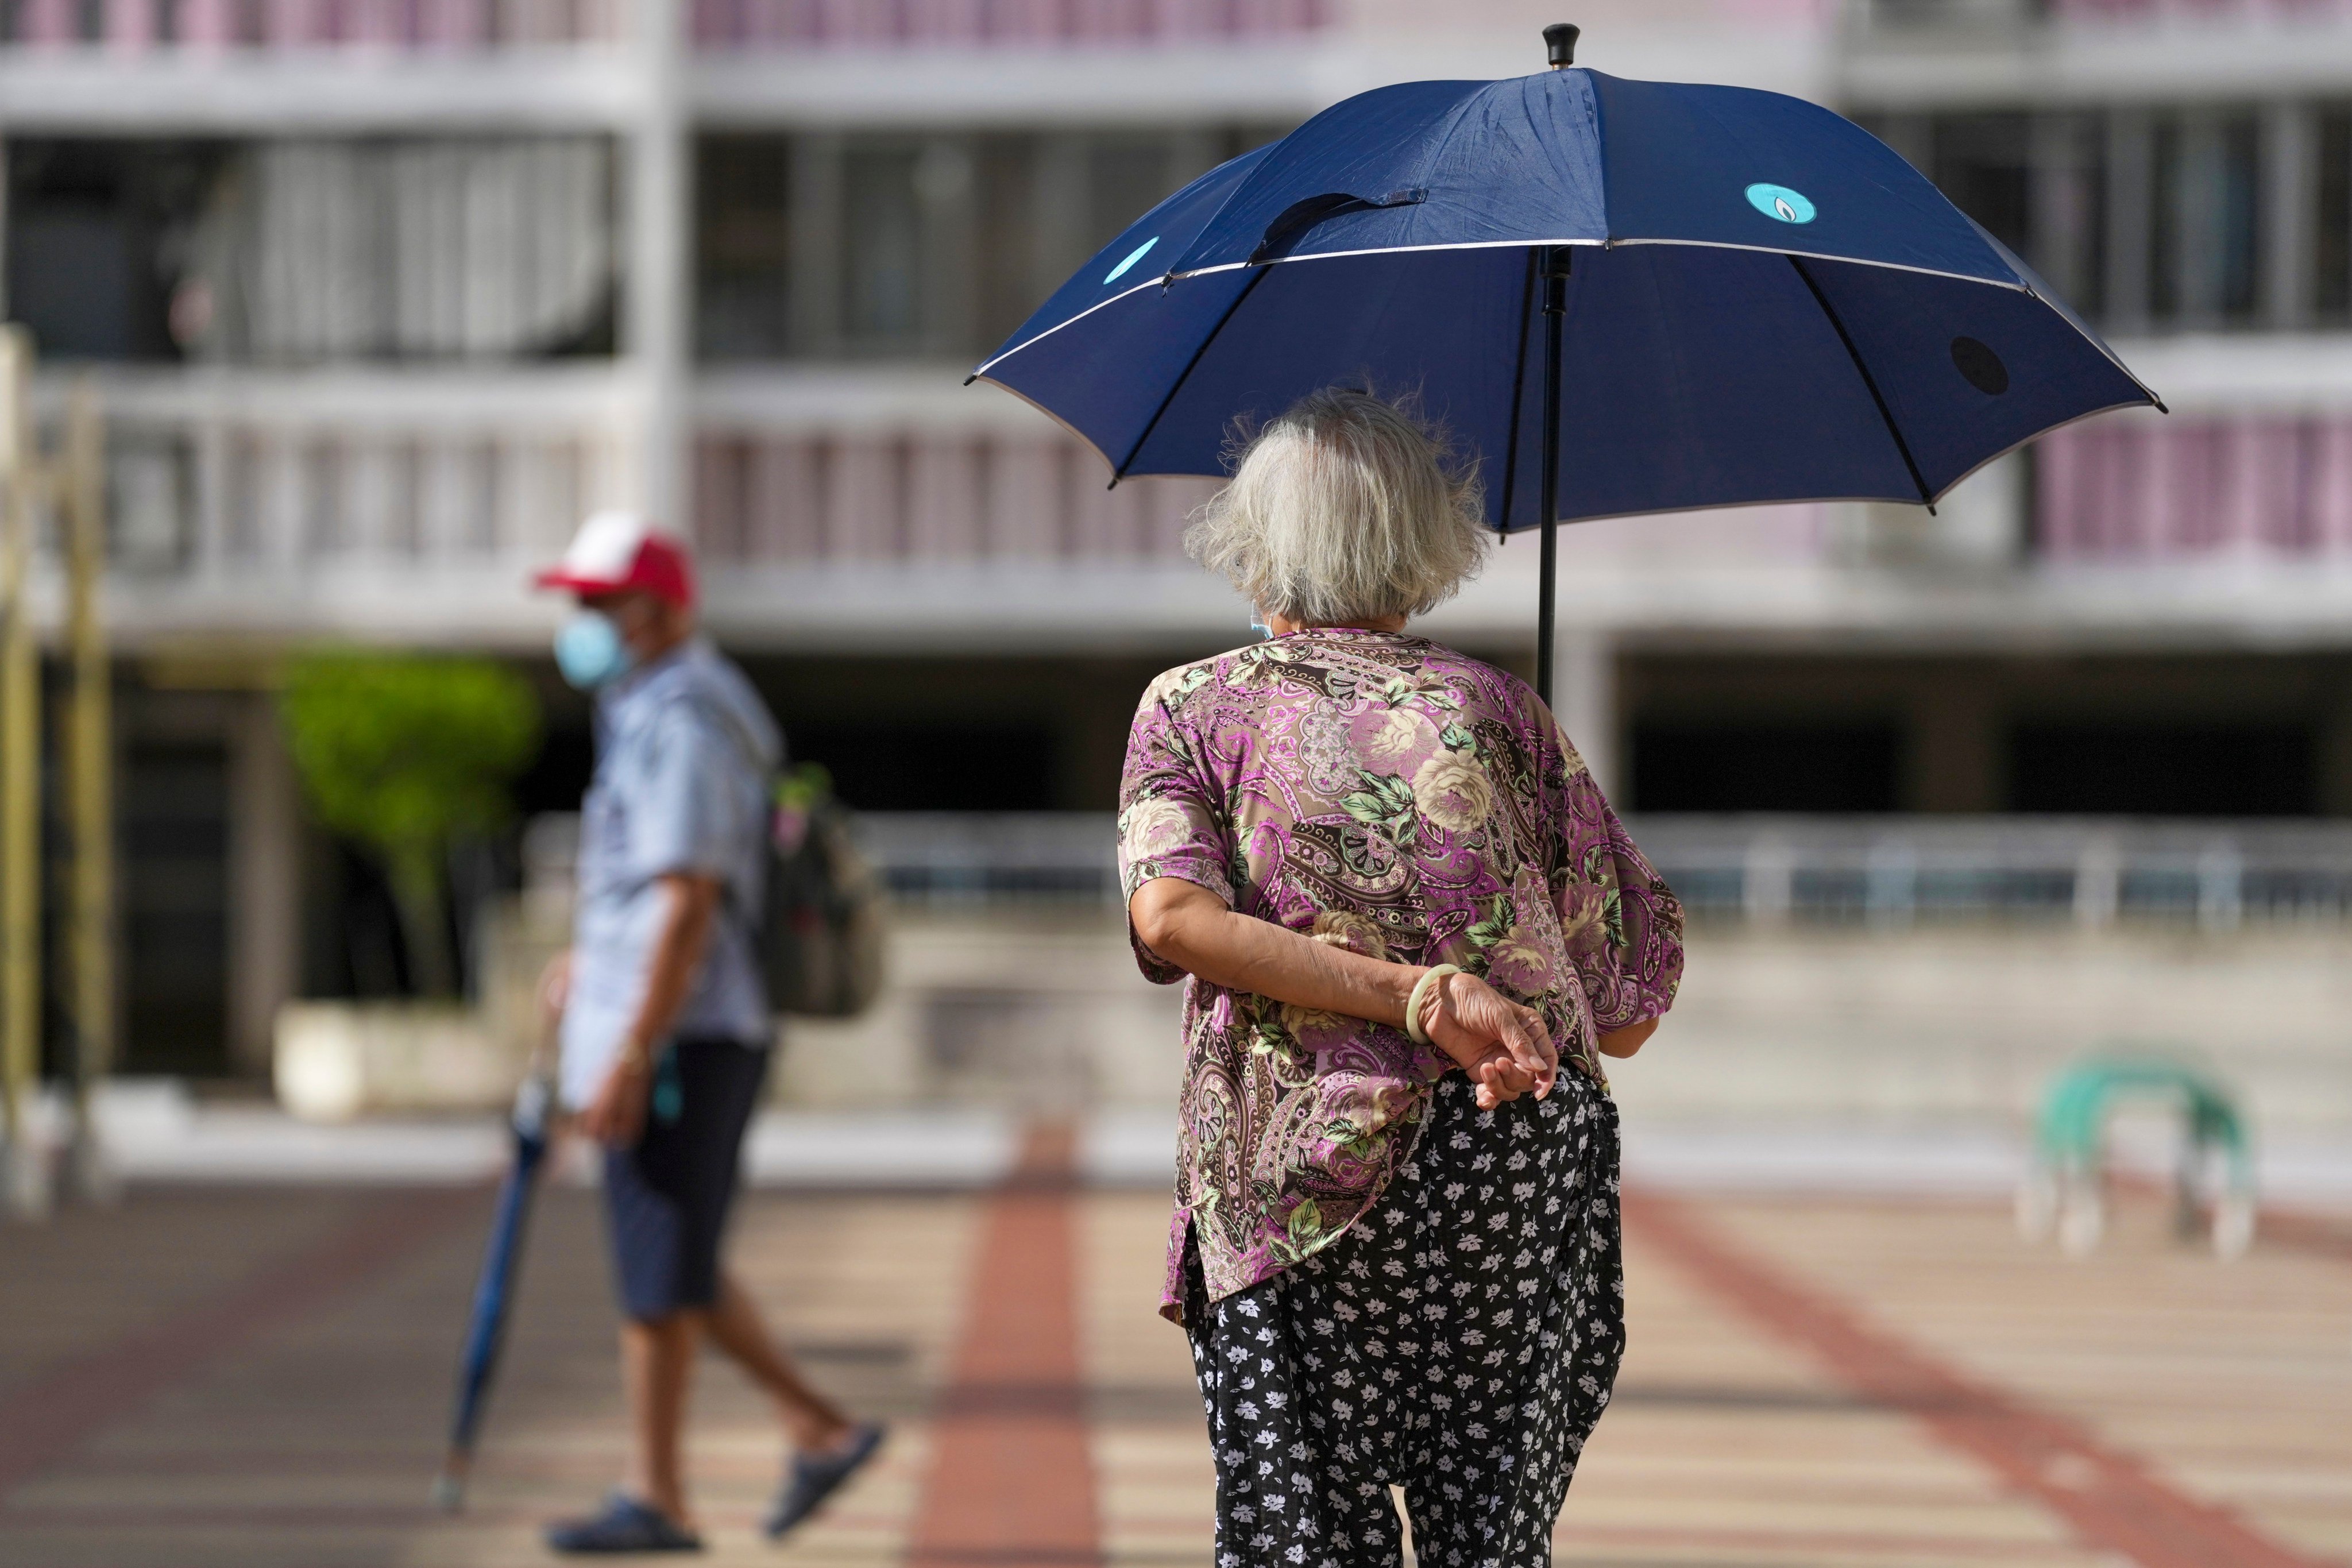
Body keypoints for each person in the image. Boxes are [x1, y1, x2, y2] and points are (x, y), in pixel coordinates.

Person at [1118, 391, 1685, 1568]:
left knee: (1302, 1536)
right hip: (1507, 1164)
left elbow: (1171, 918)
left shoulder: (1190, 707)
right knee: (1489, 1538)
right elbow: (1623, 1010)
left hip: (1295, 1167)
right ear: (1420, 543)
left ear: (1254, 540)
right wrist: (1458, 979)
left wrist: (1406, 995)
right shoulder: (1497, 709)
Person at [532, 511, 884, 1554]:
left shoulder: (684, 719)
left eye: (598, 604)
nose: (582, 622)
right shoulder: (661, 706)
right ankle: (793, 1436)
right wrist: (591, 968)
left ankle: (680, 1485)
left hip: (683, 1037)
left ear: (659, 605)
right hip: (680, 1024)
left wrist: (632, 1046)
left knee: (662, 1262)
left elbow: (686, 900)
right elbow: (652, 897)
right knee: (671, 1259)